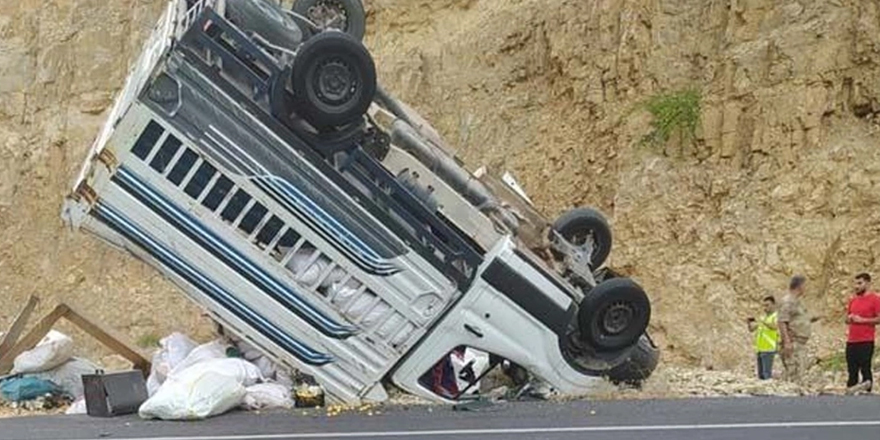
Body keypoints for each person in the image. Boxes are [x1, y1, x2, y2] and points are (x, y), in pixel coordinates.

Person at [845, 272, 880, 394]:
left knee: (865, 369)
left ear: (868, 283)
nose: (856, 286)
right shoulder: (853, 300)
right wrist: (849, 319)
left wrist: (862, 320)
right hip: (851, 341)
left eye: (860, 283)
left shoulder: (875, 299)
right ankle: (850, 398)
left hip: (866, 341)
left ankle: (867, 397)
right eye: (855, 283)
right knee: (851, 371)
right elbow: (846, 319)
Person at [778, 274, 812, 382]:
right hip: (793, 344)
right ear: (800, 286)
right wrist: (787, 341)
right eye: (805, 285)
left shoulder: (797, 301)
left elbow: (797, 319)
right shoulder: (788, 301)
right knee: (794, 375)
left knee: (799, 374)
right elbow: (782, 321)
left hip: (800, 344)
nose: (806, 288)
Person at [748, 296, 779, 380]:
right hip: (760, 349)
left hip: (769, 349)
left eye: (767, 305)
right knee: (760, 375)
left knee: (766, 374)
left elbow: (774, 327)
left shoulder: (776, 316)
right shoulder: (764, 317)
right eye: (764, 306)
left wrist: (763, 321)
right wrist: (749, 323)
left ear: (773, 305)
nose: (765, 308)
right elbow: (752, 329)